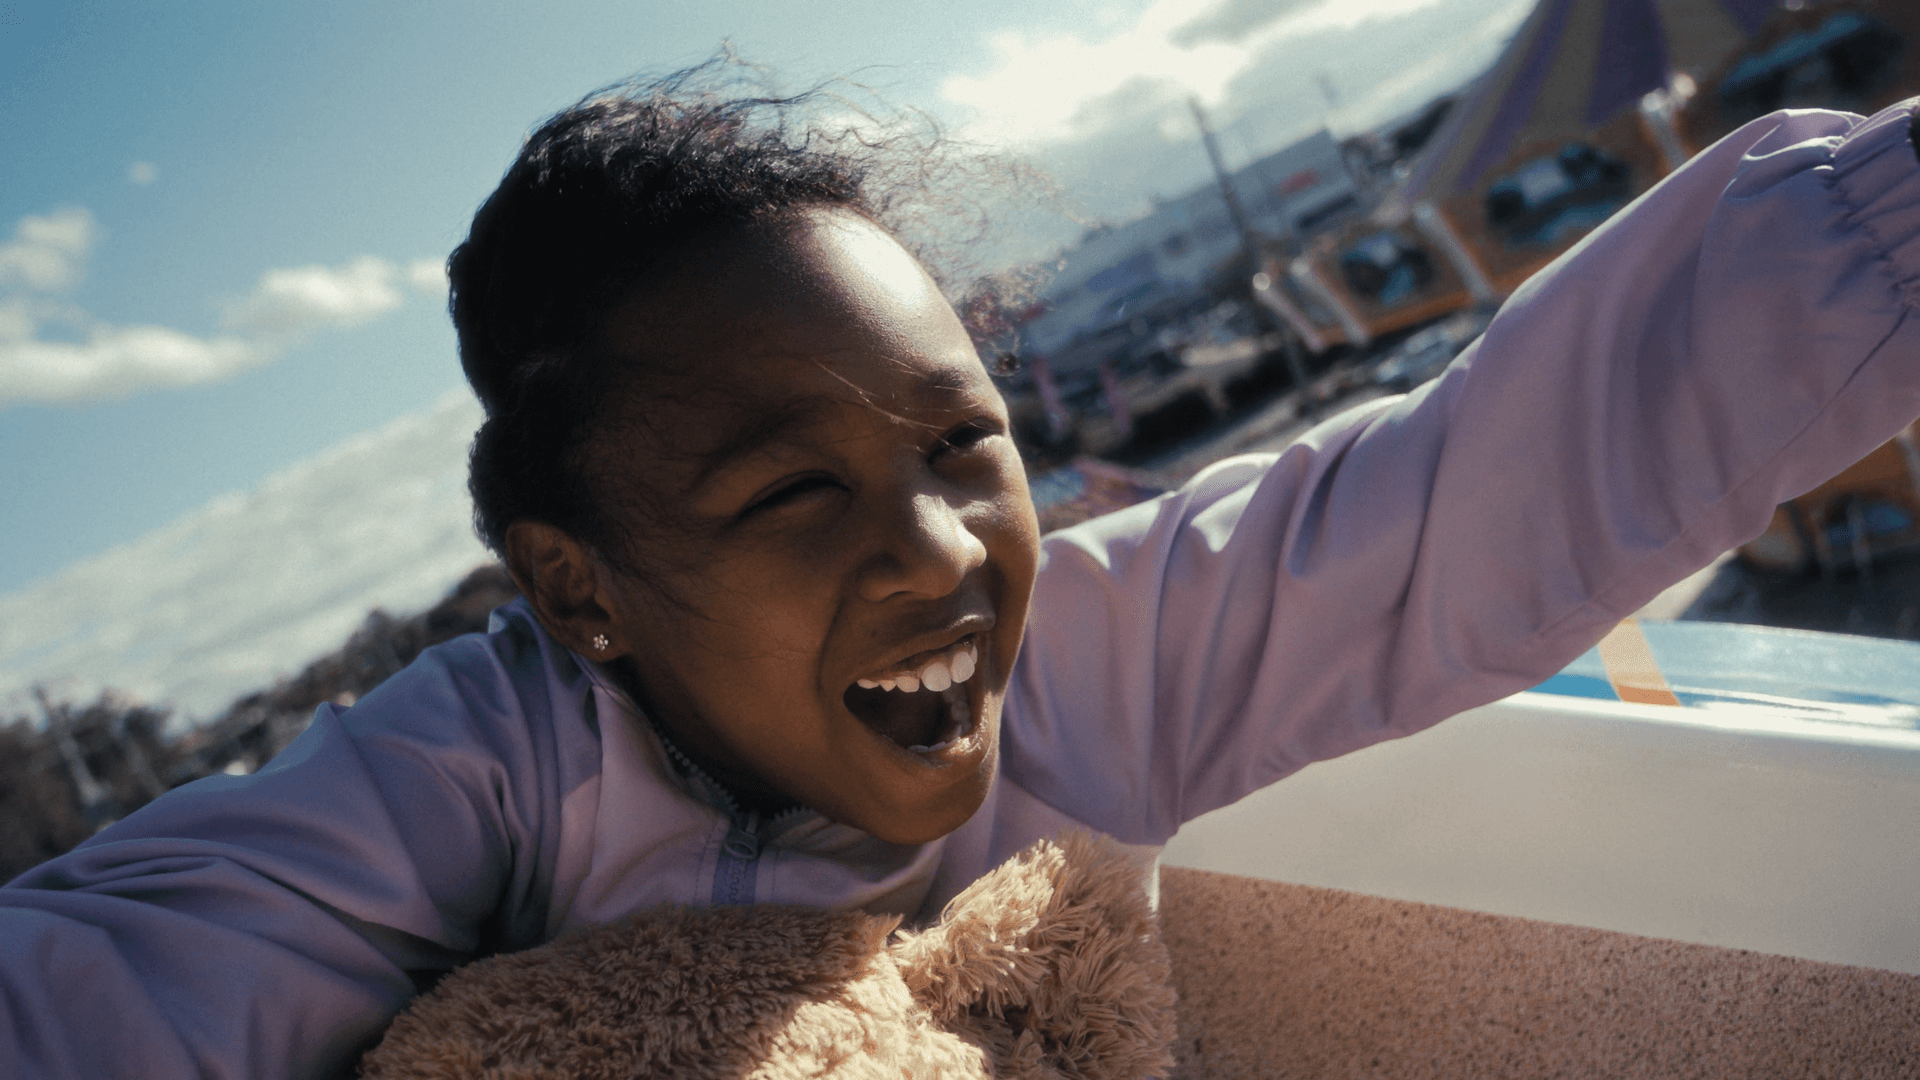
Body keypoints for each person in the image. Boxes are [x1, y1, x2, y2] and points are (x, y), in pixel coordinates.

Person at [4, 67, 1920, 1077]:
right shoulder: (476, 781)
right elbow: (113, 989)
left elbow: (1475, 491)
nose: (939, 557)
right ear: (581, 589)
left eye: (960, 444)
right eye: (787, 497)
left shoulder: (1099, 661)